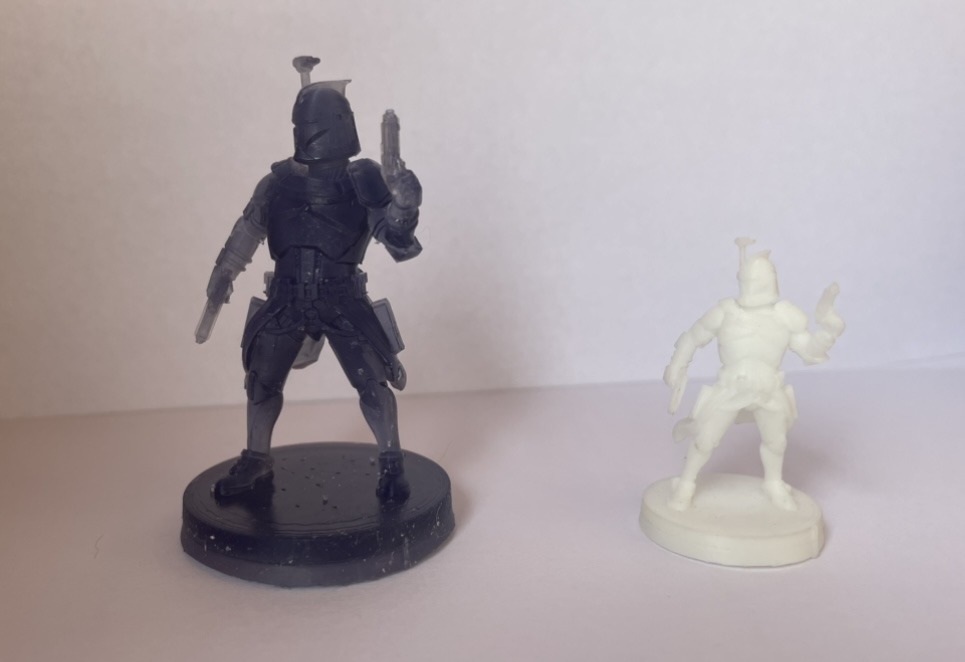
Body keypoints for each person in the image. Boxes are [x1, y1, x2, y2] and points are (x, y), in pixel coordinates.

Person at [196, 63, 422, 504]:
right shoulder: (276, 183)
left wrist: (404, 208)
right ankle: (256, 459)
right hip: (286, 299)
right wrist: (224, 272)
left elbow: (395, 238)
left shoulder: (363, 179)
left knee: (372, 382)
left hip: (343, 299)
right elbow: (246, 232)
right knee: (261, 381)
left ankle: (391, 462)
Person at [662, 238, 845, 511]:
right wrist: (677, 365)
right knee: (705, 439)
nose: (756, 283)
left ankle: (773, 483)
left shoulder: (784, 315)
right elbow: (693, 337)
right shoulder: (726, 311)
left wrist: (828, 332)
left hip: (769, 388)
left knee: (776, 442)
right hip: (730, 387)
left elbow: (808, 350)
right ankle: (686, 483)